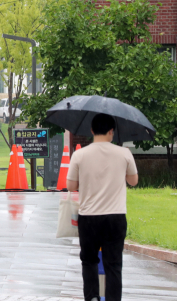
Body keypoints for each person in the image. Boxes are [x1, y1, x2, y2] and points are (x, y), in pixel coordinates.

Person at [67, 114, 138, 301]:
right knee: (113, 264)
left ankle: (92, 298)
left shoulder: (80, 154)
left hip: (89, 217)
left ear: (91, 131)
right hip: (115, 217)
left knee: (89, 261)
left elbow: (71, 186)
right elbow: (134, 181)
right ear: (111, 131)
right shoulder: (124, 153)